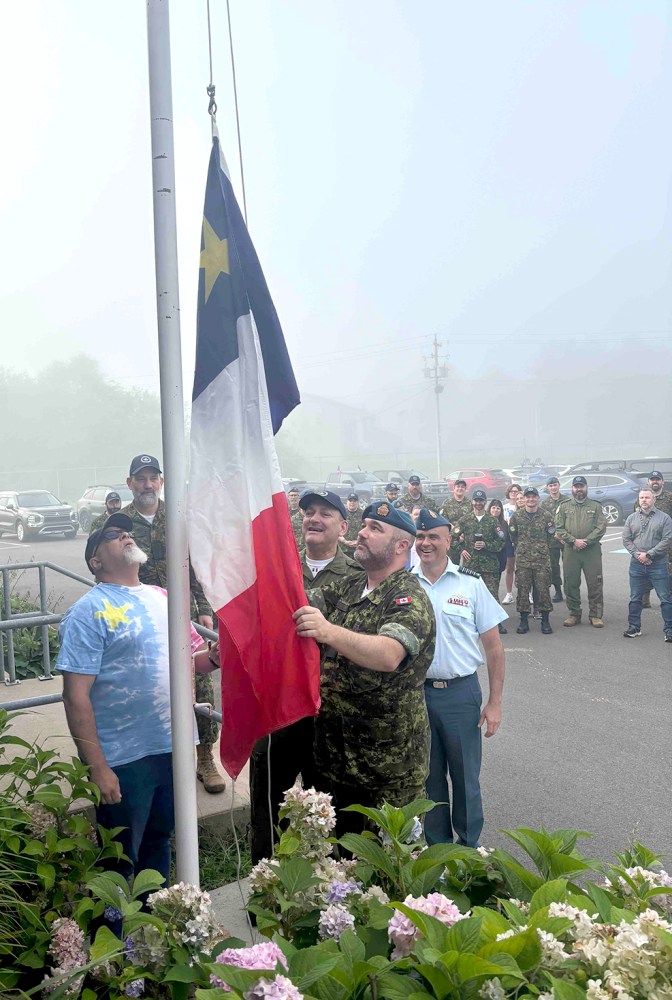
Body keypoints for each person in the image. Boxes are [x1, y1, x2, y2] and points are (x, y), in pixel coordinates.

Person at [58, 513, 217, 905]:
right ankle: (116, 946)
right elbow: (75, 696)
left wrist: (213, 658)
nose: (124, 534)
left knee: (160, 843)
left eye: (126, 530)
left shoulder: (163, 596)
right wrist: (98, 768)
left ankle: (154, 930)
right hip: (124, 758)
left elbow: (190, 658)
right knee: (120, 859)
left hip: (174, 746)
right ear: (95, 562)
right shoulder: (87, 611)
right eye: (111, 535)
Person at [293, 501, 436, 837]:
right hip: (334, 765)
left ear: (402, 546)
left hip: (385, 773)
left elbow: (389, 654)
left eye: (375, 529)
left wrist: (327, 631)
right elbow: (293, 603)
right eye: (364, 525)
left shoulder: (407, 597)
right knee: (338, 874)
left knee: (387, 875)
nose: (362, 532)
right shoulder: (350, 587)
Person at [249, 489, 360, 863]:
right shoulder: (279, 568)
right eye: (308, 512)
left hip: (330, 710)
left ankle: (326, 889)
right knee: (268, 802)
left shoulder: (360, 576)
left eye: (325, 513)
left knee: (328, 806)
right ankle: (266, 881)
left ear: (343, 526)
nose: (314, 518)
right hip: (278, 705)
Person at [119, 454, 225, 793]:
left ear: (161, 482)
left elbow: (195, 568)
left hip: (183, 617)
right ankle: (151, 757)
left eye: (153, 478)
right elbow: (102, 571)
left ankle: (205, 757)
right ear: (130, 483)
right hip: (139, 618)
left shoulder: (180, 518)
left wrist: (204, 608)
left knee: (200, 683)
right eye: (141, 478)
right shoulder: (116, 523)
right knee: (146, 682)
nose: (147, 484)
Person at [412, 509, 506, 847]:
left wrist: (494, 703)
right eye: (420, 537)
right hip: (417, 694)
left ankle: (467, 851)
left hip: (460, 694)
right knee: (429, 778)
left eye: (433, 537)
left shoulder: (471, 584)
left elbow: (494, 648)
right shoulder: (405, 582)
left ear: (449, 541)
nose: (426, 543)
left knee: (466, 777)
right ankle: (438, 851)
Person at [554, 476, 607, 627]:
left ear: (586, 487)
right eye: (576, 486)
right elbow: (559, 528)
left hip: (591, 551)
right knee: (571, 582)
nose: (579, 489)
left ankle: (595, 615)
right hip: (571, 551)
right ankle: (574, 613)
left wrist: (586, 541)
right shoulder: (564, 506)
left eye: (581, 486)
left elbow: (601, 527)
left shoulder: (596, 506)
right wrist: (574, 541)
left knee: (595, 583)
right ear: (572, 488)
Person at [621, 487, 672, 641]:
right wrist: (638, 554)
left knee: (665, 597)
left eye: (647, 498)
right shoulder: (631, 518)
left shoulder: (665, 518)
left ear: (654, 500)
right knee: (635, 597)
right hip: (637, 564)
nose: (644, 500)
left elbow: (667, 540)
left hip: (658, 563)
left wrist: (649, 554)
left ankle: (669, 630)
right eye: (642, 498)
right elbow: (626, 539)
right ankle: (634, 627)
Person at [508, 487, 555, 635]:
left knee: (543, 590)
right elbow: (513, 536)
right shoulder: (517, 516)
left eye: (533, 497)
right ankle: (523, 620)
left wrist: (539, 547)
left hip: (541, 560)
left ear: (538, 498)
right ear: (524, 499)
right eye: (528, 497)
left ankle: (545, 620)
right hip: (523, 560)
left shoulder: (546, 516)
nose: (531, 499)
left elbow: (550, 537)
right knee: (522, 590)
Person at [634, 472, 672, 609]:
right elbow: (636, 521)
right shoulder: (641, 498)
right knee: (644, 573)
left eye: (657, 479)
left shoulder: (669, 498)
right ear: (648, 482)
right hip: (645, 545)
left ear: (662, 482)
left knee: (667, 576)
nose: (655, 482)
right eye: (652, 480)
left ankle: (667, 602)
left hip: (666, 546)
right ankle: (644, 601)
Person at [459, 490, 505, 603]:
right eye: (476, 500)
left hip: (489, 566)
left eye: (481, 500)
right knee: (470, 598)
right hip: (470, 565)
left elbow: (501, 541)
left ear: (485, 502)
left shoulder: (492, 521)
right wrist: (461, 549)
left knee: (491, 598)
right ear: (472, 501)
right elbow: (452, 538)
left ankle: (495, 621)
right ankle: (472, 621)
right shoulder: (465, 520)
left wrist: (487, 545)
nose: (478, 503)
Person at [486, 499, 510, 634]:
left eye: (498, 508)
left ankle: (497, 622)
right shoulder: (482, 522)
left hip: (498, 560)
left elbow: (503, 542)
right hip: (482, 563)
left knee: (493, 592)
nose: (495, 510)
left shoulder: (503, 524)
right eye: (493, 508)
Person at [540, 477, 565, 602]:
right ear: (547, 488)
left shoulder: (567, 500)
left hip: (567, 540)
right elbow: (544, 523)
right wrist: (555, 535)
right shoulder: (544, 504)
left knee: (570, 567)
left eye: (555, 485)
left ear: (559, 485)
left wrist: (565, 536)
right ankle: (558, 591)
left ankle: (571, 591)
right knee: (554, 567)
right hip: (552, 540)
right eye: (550, 486)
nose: (553, 488)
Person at [439, 479, 471, 565]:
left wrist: (463, 533)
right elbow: (443, 520)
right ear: (453, 488)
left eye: (462, 487)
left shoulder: (470, 503)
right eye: (458, 486)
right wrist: (457, 532)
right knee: (451, 565)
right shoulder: (447, 503)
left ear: (465, 489)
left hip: (466, 539)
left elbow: (472, 520)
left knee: (467, 567)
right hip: (451, 540)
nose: (460, 488)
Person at [501, 484, 522, 603]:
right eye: (512, 491)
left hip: (521, 538)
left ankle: (527, 593)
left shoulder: (523, 506)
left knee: (523, 568)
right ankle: (509, 594)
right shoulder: (504, 507)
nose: (514, 493)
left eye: (517, 491)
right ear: (508, 493)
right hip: (508, 539)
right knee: (510, 568)